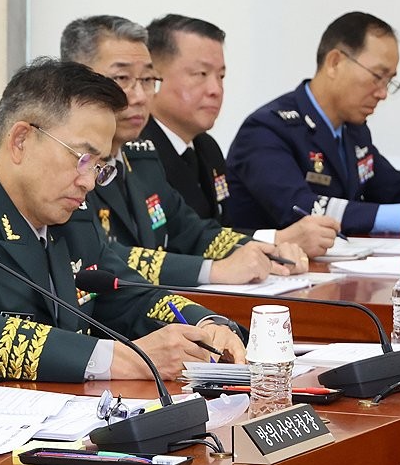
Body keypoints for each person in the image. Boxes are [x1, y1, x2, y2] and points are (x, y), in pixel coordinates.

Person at [0, 58, 245, 383]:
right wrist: (127, 360)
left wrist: (206, 325)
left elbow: (130, 296)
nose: (89, 182)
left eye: (100, 166)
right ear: (20, 140)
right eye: (83, 158)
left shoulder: (73, 216)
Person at [59, 15, 305, 287]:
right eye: (121, 78)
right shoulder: (63, 165)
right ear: (74, 81)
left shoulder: (140, 156)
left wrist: (266, 251)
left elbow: (192, 232)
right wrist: (212, 270)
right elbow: (100, 256)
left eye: (147, 79)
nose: (139, 96)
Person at [224, 12, 400, 234]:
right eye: (378, 76)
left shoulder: (353, 130)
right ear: (334, 62)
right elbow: (301, 208)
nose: (383, 93)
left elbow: (393, 187)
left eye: (389, 81)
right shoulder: (267, 129)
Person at [145, 14, 338, 256]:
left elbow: (221, 228)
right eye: (201, 74)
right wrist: (277, 239)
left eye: (221, 77)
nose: (216, 90)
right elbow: (180, 241)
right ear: (153, 78)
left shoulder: (206, 148)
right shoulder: (138, 151)